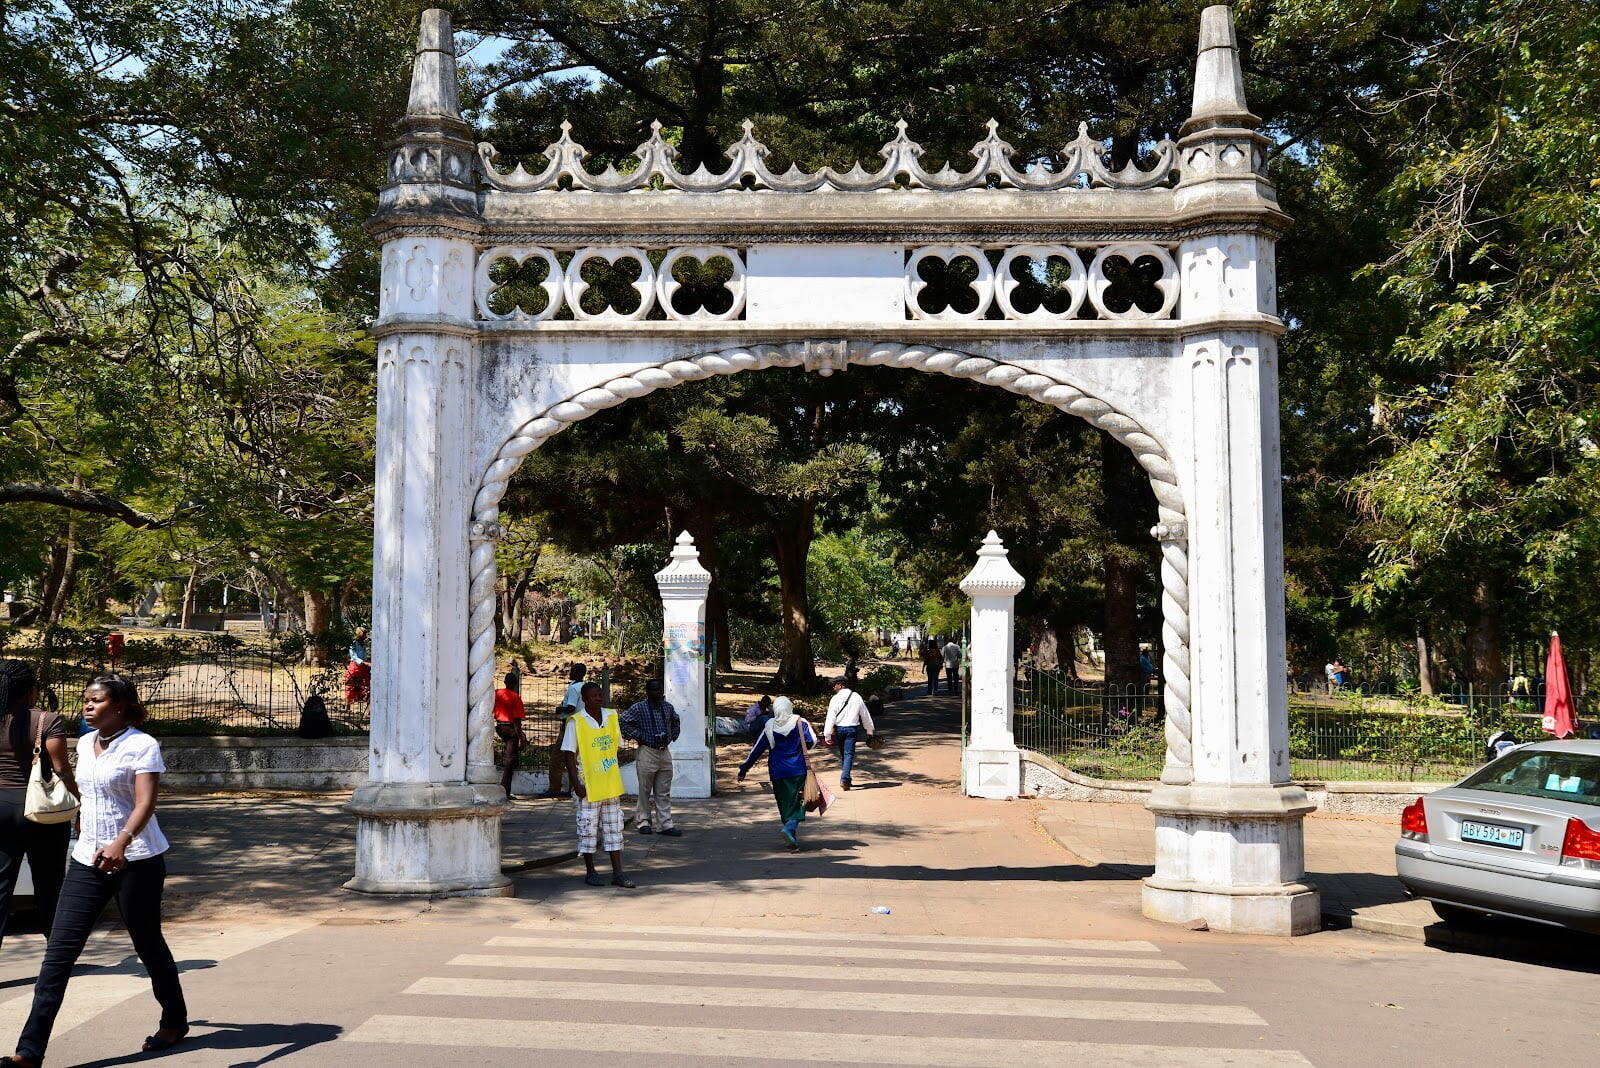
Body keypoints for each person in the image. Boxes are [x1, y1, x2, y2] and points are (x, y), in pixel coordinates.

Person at [5, 676, 186, 1067]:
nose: (87, 706)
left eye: (96, 700)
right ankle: (29, 1052)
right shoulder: (86, 743)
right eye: (85, 700)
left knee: (148, 943)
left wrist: (121, 841)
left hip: (137, 859)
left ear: (119, 706)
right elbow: (88, 792)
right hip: (88, 860)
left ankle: (174, 1020)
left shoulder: (143, 745)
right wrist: (84, 821)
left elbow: (145, 803)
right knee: (58, 956)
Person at [0, 661, 78, 949]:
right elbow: (62, 769)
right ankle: (57, 958)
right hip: (41, 811)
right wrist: (79, 805)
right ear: (32, 690)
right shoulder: (47, 720)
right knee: (49, 886)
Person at [559, 682, 634, 888]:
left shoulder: (611, 717)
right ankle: (590, 871)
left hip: (609, 783)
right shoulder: (576, 722)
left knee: (614, 828)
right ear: (584, 699)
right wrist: (576, 784)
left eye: (600, 695)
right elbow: (568, 754)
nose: (598, 699)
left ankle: (618, 873)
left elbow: (615, 747)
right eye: (594, 696)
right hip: (588, 785)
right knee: (588, 828)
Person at [737, 697, 818, 850]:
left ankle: (791, 834)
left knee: (784, 801)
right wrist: (799, 747)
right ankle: (790, 828)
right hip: (798, 769)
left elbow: (757, 749)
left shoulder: (769, 725)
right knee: (799, 800)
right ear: (789, 707)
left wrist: (744, 768)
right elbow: (812, 741)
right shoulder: (800, 722)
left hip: (777, 770)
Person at [620, 680, 680, 837]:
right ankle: (644, 821)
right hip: (647, 751)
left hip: (664, 752)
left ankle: (665, 824)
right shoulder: (639, 708)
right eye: (654, 690)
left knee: (663, 791)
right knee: (644, 789)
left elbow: (676, 720)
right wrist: (638, 736)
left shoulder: (667, 707)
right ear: (647, 691)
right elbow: (623, 720)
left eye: (659, 690)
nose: (657, 693)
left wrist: (672, 735)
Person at [823, 677, 875, 790]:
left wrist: (827, 734)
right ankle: (846, 779)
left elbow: (830, 717)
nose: (833, 687)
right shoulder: (856, 697)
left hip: (840, 729)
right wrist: (869, 731)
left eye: (835, 684)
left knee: (844, 754)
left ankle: (846, 778)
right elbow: (865, 715)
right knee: (848, 754)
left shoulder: (835, 699)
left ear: (841, 685)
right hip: (852, 729)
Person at [546, 662, 587, 798]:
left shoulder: (574, 688)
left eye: (572, 671)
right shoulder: (584, 687)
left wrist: (559, 709)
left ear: (575, 673)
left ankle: (554, 787)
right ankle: (573, 787)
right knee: (575, 759)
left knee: (557, 758)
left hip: (570, 724)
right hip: (582, 725)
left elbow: (571, 707)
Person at [493, 671, 527, 798]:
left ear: (505, 682)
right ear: (515, 683)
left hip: (499, 725)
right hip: (509, 727)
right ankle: (505, 790)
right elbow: (517, 721)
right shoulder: (515, 697)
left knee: (510, 757)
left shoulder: (497, 693)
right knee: (510, 761)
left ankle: (506, 789)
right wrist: (521, 738)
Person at [344, 626, 371, 707]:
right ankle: (347, 704)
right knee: (350, 684)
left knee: (365, 684)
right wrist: (364, 662)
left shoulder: (363, 644)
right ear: (359, 634)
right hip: (355, 666)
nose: (365, 636)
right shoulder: (353, 643)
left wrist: (367, 661)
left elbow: (364, 655)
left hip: (363, 667)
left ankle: (366, 705)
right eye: (364, 634)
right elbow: (354, 657)